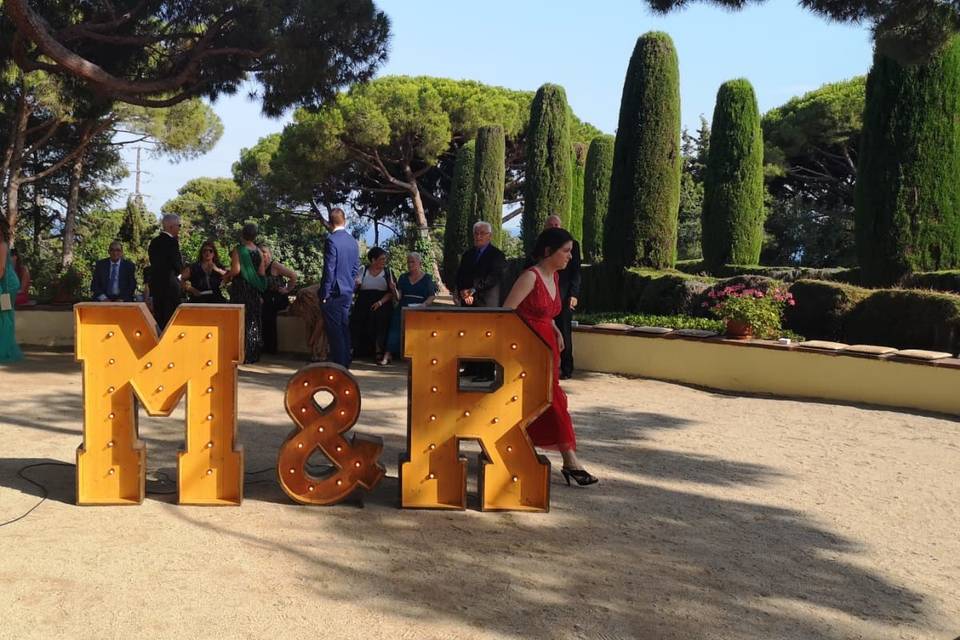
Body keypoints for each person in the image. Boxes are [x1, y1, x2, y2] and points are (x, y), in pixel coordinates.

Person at [503, 227, 597, 487]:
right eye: (565, 251)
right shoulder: (530, 277)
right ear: (548, 252)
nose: (569, 257)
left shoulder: (554, 277)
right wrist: (526, 342)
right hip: (528, 351)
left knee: (542, 401)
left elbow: (548, 313)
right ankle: (570, 460)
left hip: (548, 348)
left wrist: (556, 330)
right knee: (552, 400)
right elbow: (506, 313)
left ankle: (525, 446)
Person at [318, 208, 360, 368]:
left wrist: (324, 293)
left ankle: (340, 365)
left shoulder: (331, 241)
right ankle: (346, 361)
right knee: (343, 326)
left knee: (335, 331)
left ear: (330, 222)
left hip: (334, 292)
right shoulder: (352, 241)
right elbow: (356, 267)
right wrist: (350, 283)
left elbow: (329, 269)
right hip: (348, 290)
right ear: (345, 220)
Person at [382, 252, 437, 365]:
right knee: (395, 325)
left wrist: (424, 305)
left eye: (412, 262)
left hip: (419, 307)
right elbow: (398, 297)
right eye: (408, 262)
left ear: (419, 263)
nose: (410, 264)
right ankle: (388, 354)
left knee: (418, 328)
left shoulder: (427, 278)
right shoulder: (403, 277)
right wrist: (393, 289)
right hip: (404, 306)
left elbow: (432, 296)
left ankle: (415, 354)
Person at [544, 215, 582, 379]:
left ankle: (566, 368)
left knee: (564, 332)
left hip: (565, 295)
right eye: (551, 225)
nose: (554, 226)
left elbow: (576, 273)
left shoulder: (573, 245)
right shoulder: (542, 246)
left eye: (556, 224)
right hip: (545, 295)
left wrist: (574, 294)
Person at [226, 223, 267, 364]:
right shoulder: (259, 252)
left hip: (241, 289)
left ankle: (240, 353)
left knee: (240, 320)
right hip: (254, 290)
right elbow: (261, 273)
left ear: (242, 234)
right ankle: (253, 354)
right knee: (253, 321)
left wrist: (226, 276)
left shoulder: (239, 250)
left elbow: (236, 270)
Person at [350, 247, 397, 363]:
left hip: (382, 301)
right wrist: (356, 285)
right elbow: (355, 289)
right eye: (381, 259)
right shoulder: (363, 270)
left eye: (384, 259)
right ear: (373, 260)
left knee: (381, 318)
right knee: (357, 318)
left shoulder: (387, 272)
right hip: (364, 300)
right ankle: (354, 349)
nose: (383, 262)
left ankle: (379, 349)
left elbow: (391, 292)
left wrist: (380, 302)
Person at [259, 243, 298, 355]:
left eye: (264, 252)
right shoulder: (258, 267)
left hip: (277, 297)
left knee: (268, 311)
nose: (262, 255)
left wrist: (287, 289)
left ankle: (270, 347)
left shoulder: (274, 265)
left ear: (269, 255)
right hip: (265, 297)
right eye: (260, 252)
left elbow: (293, 275)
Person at [456, 221, 506, 307]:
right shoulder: (467, 255)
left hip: (486, 303)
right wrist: (462, 291)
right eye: (476, 233)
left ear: (489, 236)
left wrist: (472, 290)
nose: (478, 236)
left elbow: (493, 278)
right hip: (467, 302)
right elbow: (460, 275)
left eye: (482, 233)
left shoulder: (497, 255)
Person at [148, 214, 184, 331]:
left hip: (157, 287)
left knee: (159, 321)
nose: (179, 228)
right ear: (170, 226)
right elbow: (177, 264)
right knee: (171, 322)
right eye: (179, 225)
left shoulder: (154, 242)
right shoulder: (172, 242)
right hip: (170, 288)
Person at [0, 220, 24, 362]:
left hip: (7, 285)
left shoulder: (2, 246)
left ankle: (5, 350)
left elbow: (1, 270)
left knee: (5, 316)